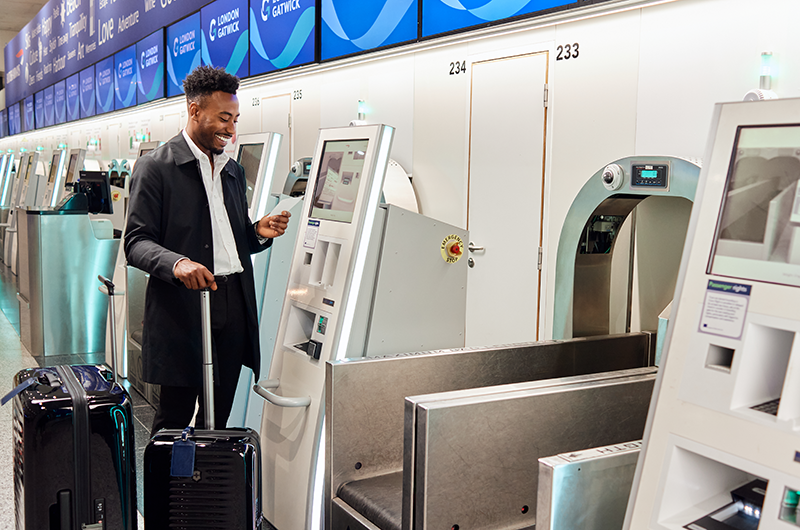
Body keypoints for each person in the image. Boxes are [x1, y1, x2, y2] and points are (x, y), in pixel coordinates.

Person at [125, 65, 291, 435]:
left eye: (234, 119)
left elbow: (232, 240)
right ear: (194, 110)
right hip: (184, 308)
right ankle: (167, 489)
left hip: (232, 304)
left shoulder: (231, 171)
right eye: (222, 118)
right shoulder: (156, 168)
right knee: (175, 416)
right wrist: (178, 263)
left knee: (218, 415)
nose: (231, 130)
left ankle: (206, 487)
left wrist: (258, 233)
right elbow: (136, 242)